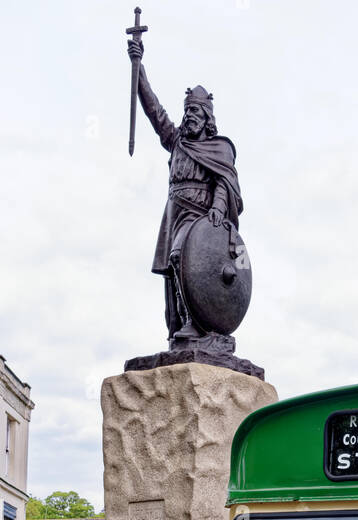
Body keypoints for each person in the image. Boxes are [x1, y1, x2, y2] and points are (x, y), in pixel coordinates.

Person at [127, 37, 242, 345]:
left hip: (201, 218)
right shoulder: (177, 140)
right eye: (187, 111)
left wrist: (218, 207)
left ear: (207, 119)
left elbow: (225, 182)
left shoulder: (219, 148)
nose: (189, 116)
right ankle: (179, 330)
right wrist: (139, 71)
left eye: (196, 112)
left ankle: (195, 321)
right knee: (171, 275)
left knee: (182, 258)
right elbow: (154, 110)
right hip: (174, 215)